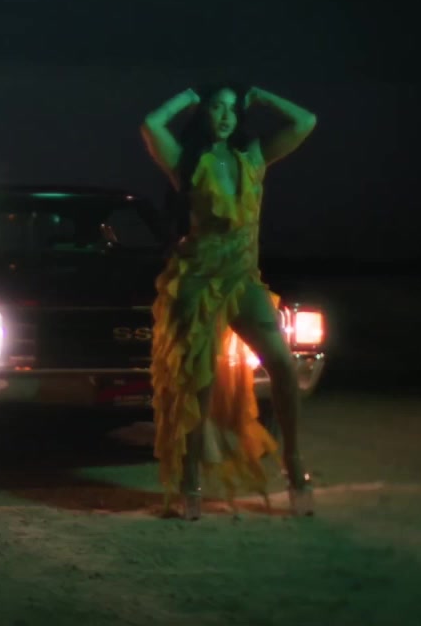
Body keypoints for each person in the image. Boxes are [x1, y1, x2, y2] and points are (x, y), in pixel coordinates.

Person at [140, 82, 318, 519]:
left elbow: (306, 121)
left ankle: (294, 467)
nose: (224, 116)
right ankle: (190, 485)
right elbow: (151, 123)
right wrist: (187, 97)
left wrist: (261, 95)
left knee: (283, 364)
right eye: (217, 108)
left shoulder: (251, 158)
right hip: (198, 281)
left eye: (232, 109)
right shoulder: (185, 160)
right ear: (204, 114)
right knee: (197, 385)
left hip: (243, 279)